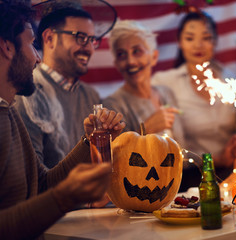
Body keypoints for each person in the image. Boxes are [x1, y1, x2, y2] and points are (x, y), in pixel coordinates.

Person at [0, 2, 125, 239]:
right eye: (30, 43)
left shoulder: (9, 110)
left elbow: (43, 184)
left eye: (92, 40)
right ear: (7, 46)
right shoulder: (21, 102)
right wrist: (65, 198)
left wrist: (88, 143)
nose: (36, 58)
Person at [152, 11, 236, 190]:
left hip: (233, 176)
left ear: (215, 41)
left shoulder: (231, 81)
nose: (198, 45)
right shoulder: (164, 83)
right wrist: (216, 159)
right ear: (179, 43)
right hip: (188, 181)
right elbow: (164, 145)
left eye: (206, 37)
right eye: (190, 38)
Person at [14, 1, 106, 169]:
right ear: (49, 38)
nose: (90, 49)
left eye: (92, 40)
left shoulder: (91, 95)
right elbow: (34, 178)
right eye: (81, 38)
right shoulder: (26, 93)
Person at [103, 20, 185, 147]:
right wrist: (145, 129)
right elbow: (116, 159)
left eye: (137, 51)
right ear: (116, 64)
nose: (130, 61)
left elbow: (183, 150)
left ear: (154, 57)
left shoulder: (167, 93)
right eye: (121, 54)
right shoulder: (113, 106)